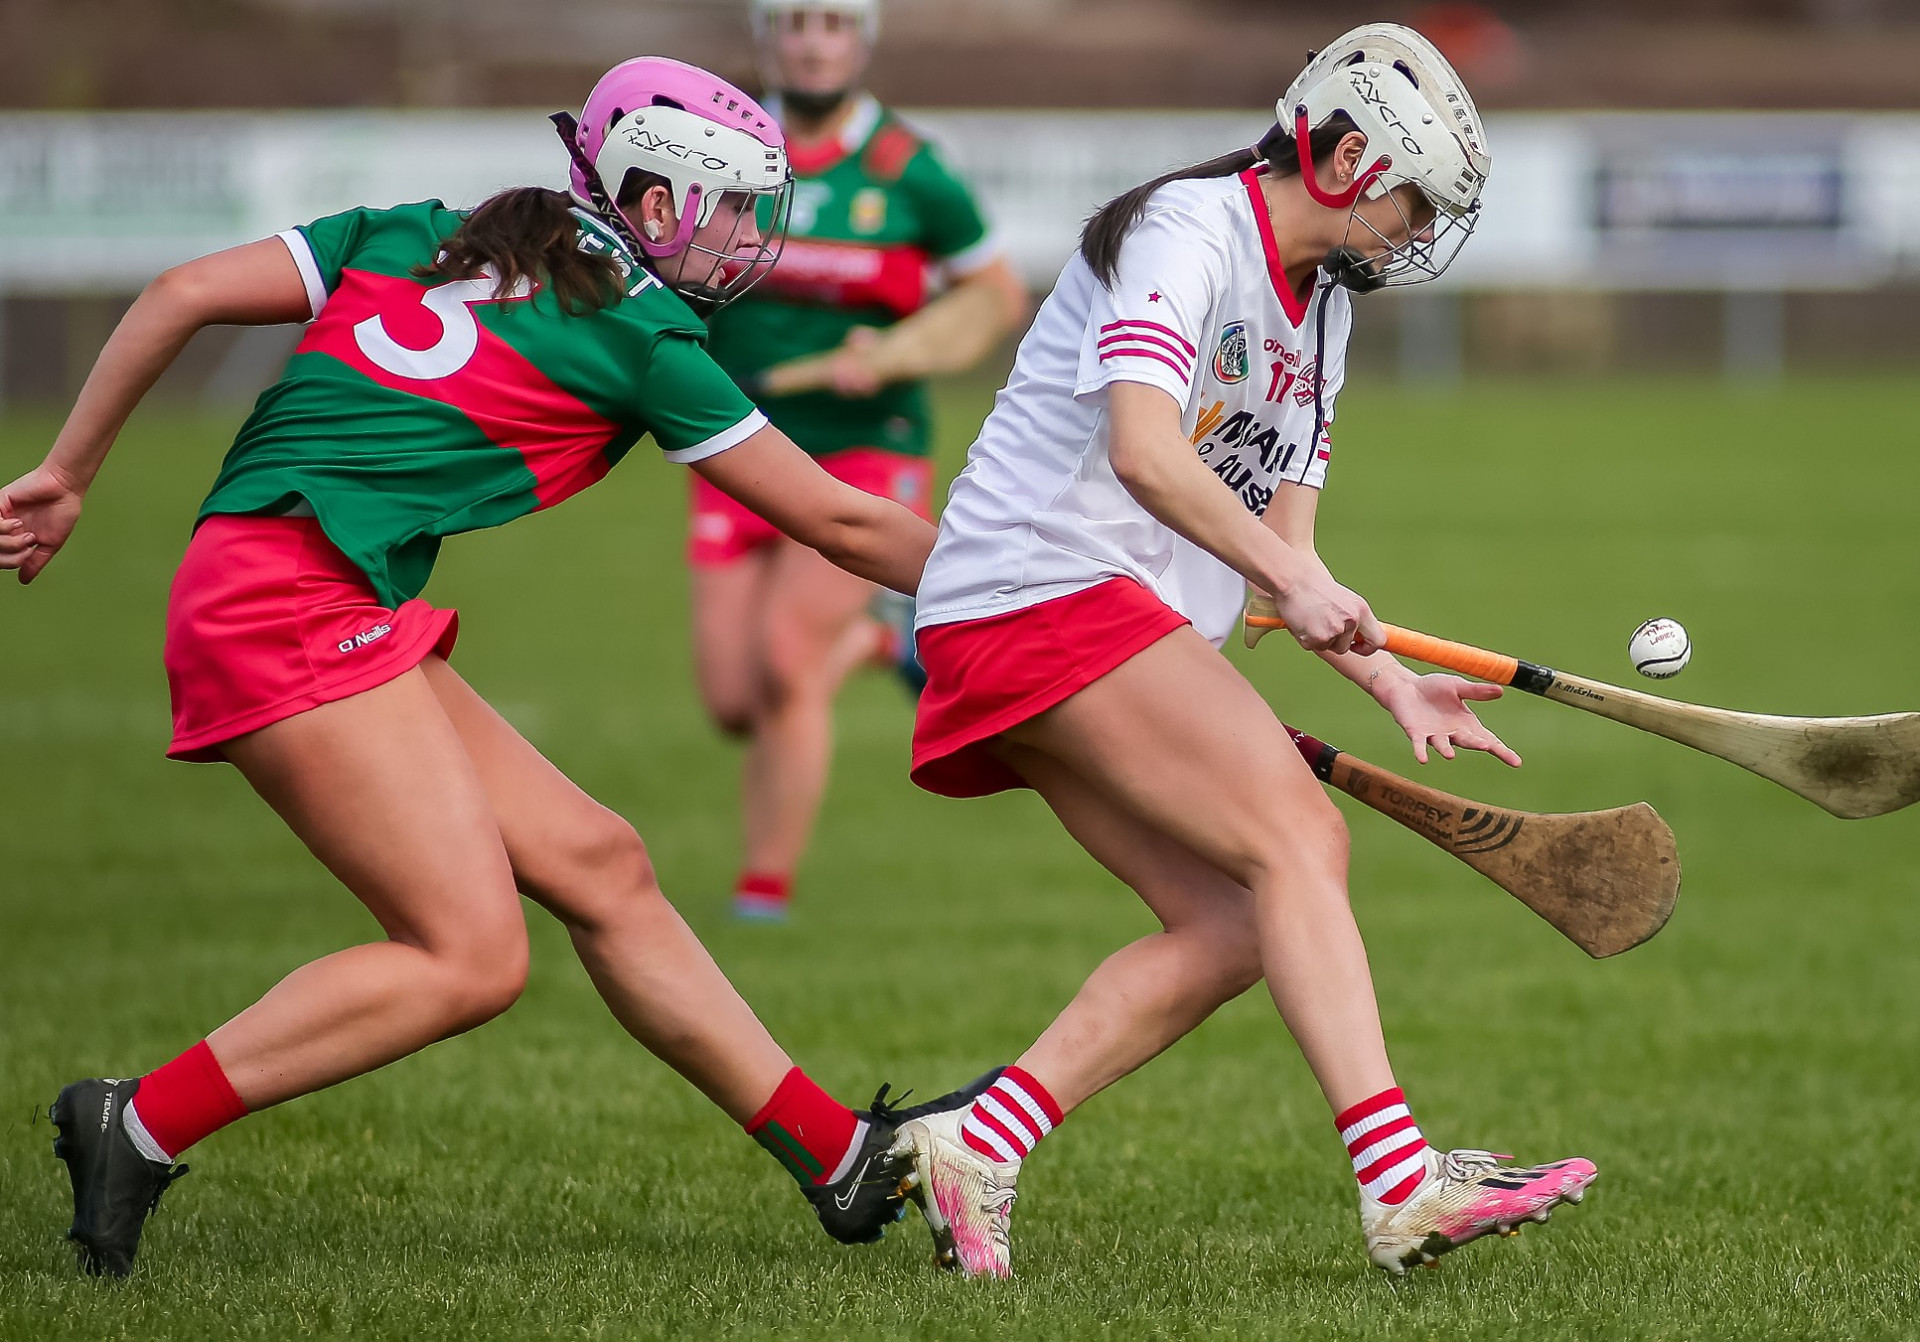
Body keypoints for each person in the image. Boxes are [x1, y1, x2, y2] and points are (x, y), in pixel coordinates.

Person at [4, 56, 991, 1279]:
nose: (748, 238)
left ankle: (836, 1156)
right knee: (468, 956)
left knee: (600, 863)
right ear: (659, 196)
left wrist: (69, 475)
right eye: (733, 207)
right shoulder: (638, 327)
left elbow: (182, 288)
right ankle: (136, 1122)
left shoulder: (424, 229)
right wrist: (1020, 577)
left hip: (293, 579)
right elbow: (842, 523)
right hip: (288, 602)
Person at [884, 25, 1599, 1279]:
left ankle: (976, 1145)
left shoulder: (1325, 312)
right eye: (1411, 196)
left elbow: (1288, 550)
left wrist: (1388, 677)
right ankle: (1400, 1183)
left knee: (1231, 923)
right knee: (1300, 841)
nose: (1416, 227)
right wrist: (1291, 585)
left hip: (1083, 620)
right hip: (1040, 589)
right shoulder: (1187, 230)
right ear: (1347, 155)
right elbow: (1146, 455)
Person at [694, 0, 1027, 921]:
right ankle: (887, 636)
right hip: (733, 442)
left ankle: (762, 893)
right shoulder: (717, 153)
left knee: (783, 656)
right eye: (794, 24)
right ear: (767, 41)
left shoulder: (908, 170)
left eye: (834, 23)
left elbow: (994, 296)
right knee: (732, 697)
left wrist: (893, 352)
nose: (813, 41)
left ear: (862, 41)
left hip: (864, 452)